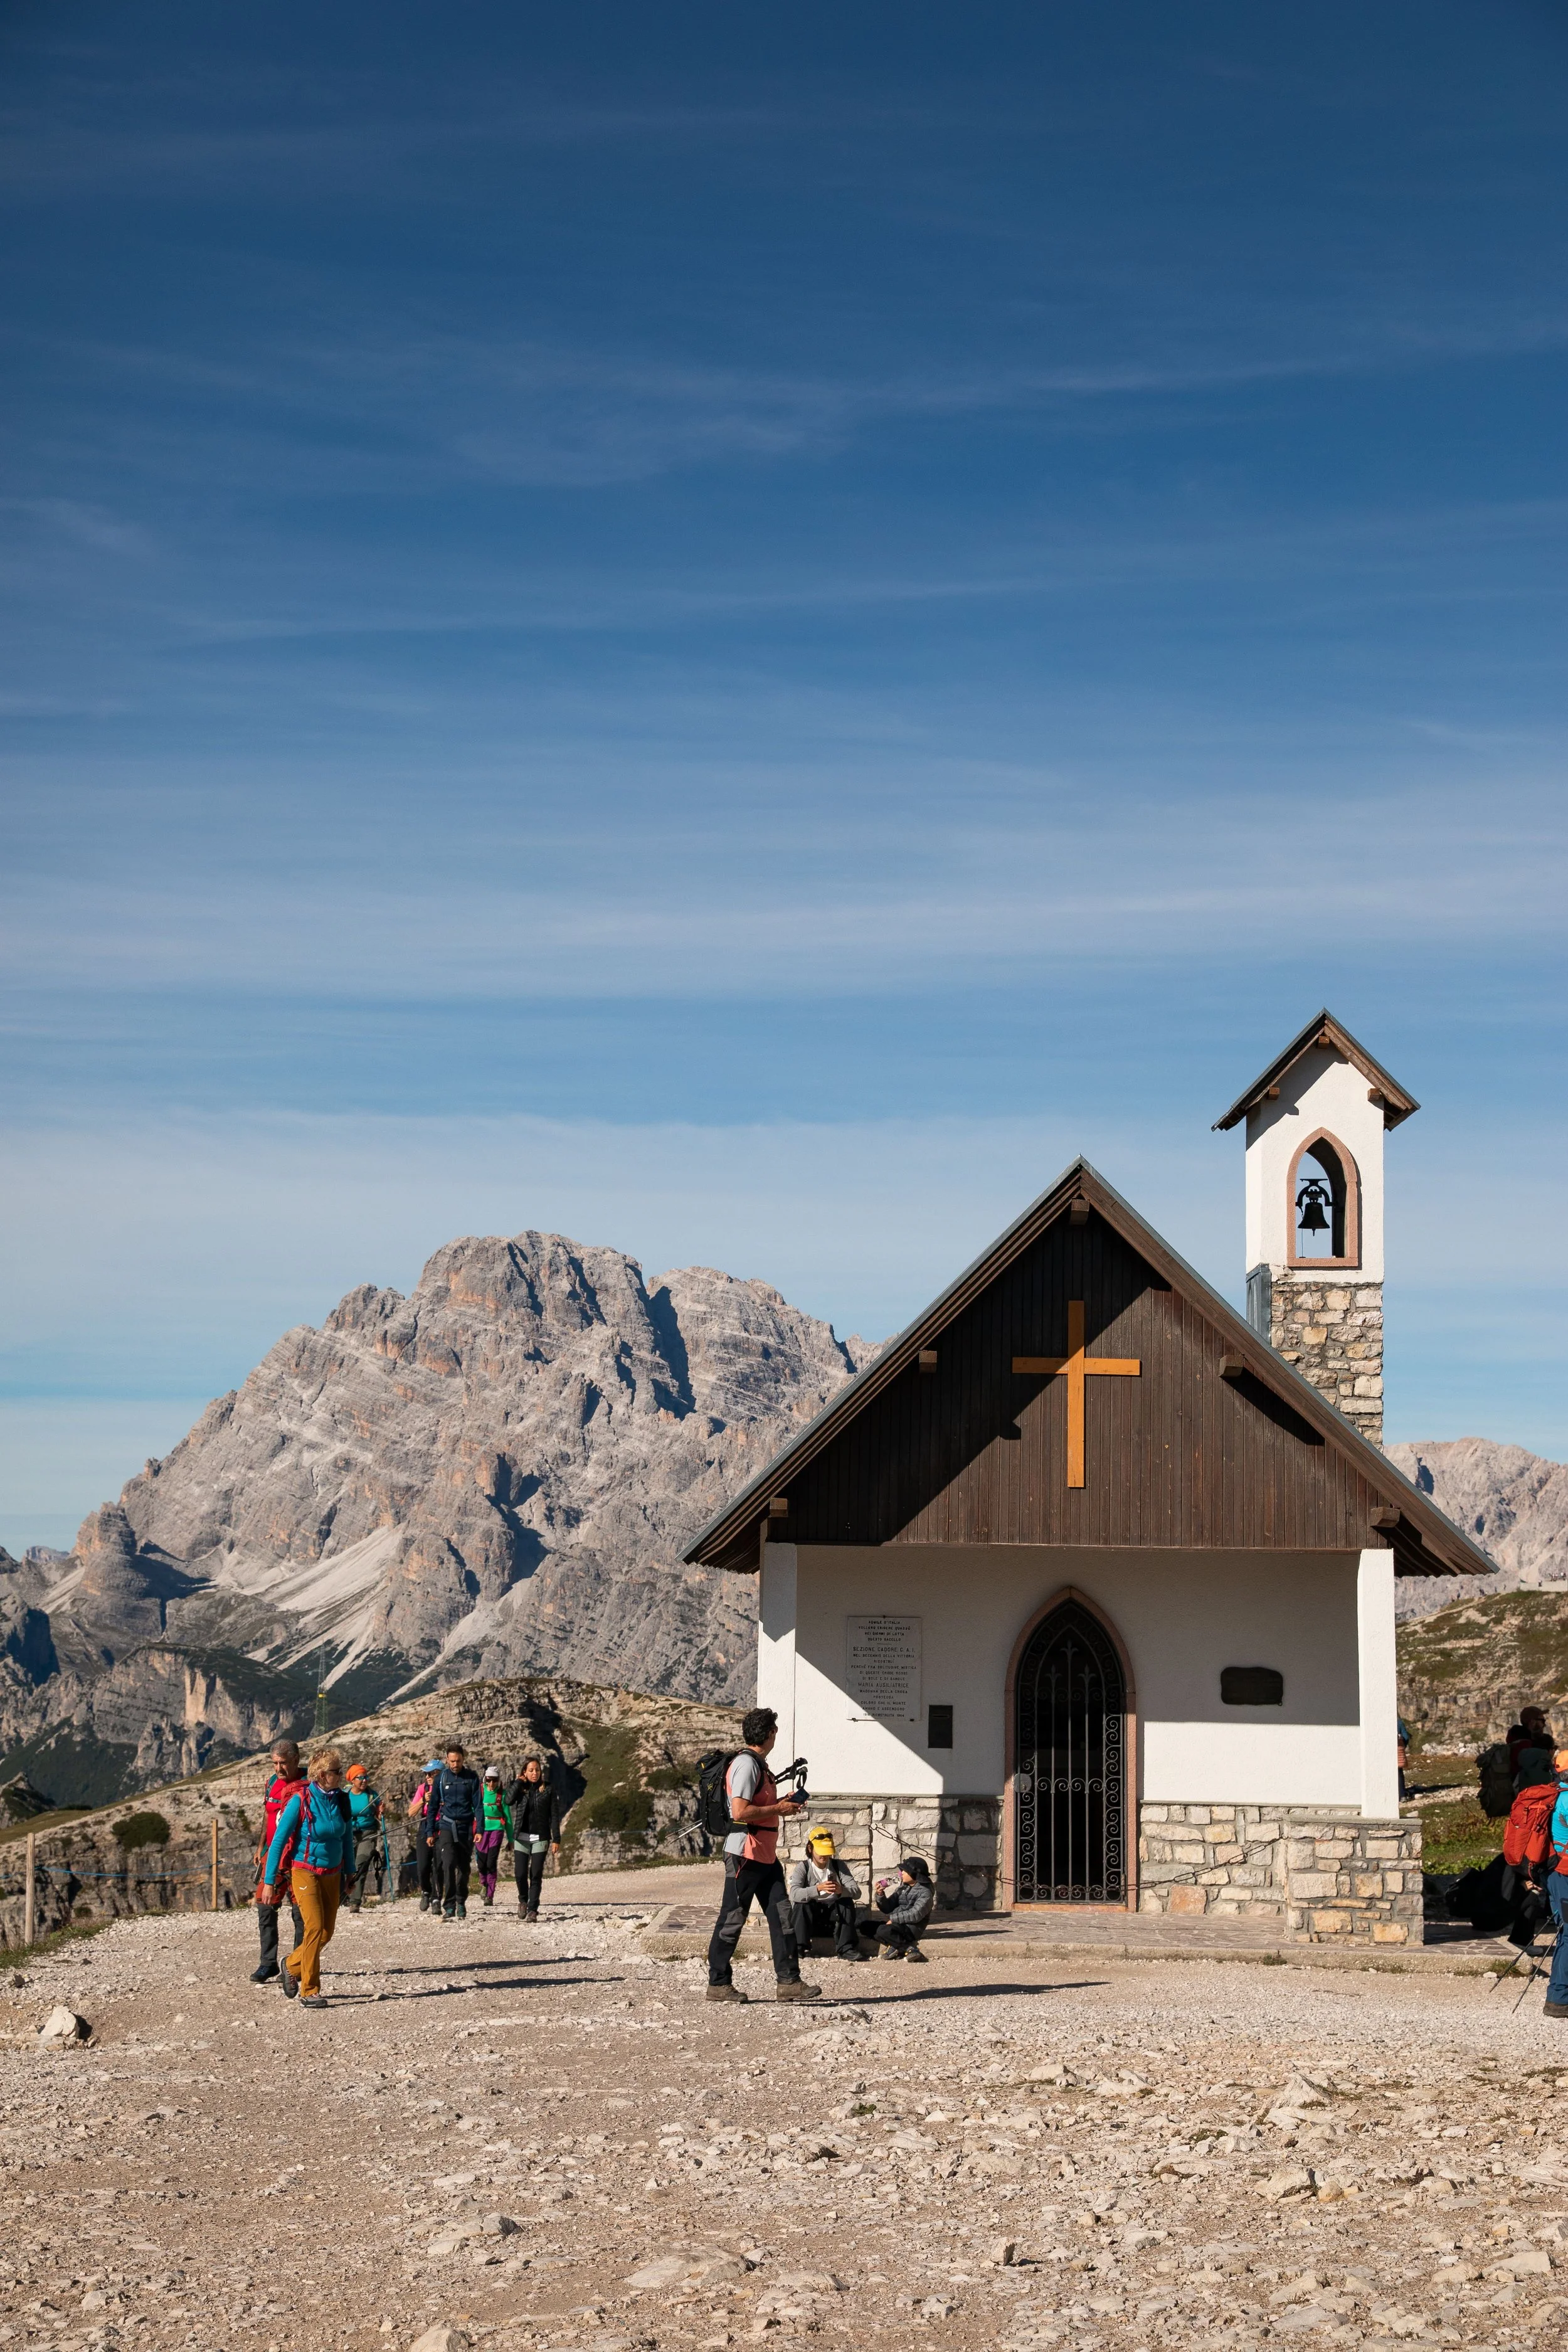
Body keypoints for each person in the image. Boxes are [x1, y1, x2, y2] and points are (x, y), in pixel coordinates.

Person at [706, 1705, 819, 2006]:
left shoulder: (758, 1764)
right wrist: (778, 1809)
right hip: (745, 1854)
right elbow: (740, 1811)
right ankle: (718, 1983)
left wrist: (782, 1803)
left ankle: (789, 1982)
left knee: (783, 1915)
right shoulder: (747, 1765)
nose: (777, 1734)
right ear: (769, 1734)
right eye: (775, 1730)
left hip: (764, 1855)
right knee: (733, 1918)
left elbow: (757, 1805)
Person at [260, 1747, 355, 2009]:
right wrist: (269, 1881)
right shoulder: (301, 1800)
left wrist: (350, 1872)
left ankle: (290, 1965)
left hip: (333, 1873)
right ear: (324, 1775)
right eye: (337, 1772)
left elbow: (346, 1837)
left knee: (326, 1932)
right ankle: (310, 1990)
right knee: (313, 1928)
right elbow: (278, 1841)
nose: (341, 1775)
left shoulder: (341, 1800)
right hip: (304, 1871)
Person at [251, 1739, 307, 1983]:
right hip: (272, 1855)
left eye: (283, 1763)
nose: (278, 1769)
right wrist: (261, 1846)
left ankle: (298, 1964)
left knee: (300, 1913)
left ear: (296, 1760)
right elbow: (268, 1814)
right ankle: (268, 1963)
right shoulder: (271, 1783)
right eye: (275, 1763)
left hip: (297, 1857)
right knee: (265, 1905)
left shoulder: (308, 1785)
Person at [788, 1827, 864, 1962]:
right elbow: (794, 1894)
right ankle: (798, 1947)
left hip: (834, 1917)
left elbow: (857, 1892)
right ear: (810, 1849)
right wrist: (817, 1889)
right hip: (812, 1918)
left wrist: (842, 1891)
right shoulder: (803, 1867)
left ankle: (846, 1948)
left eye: (826, 1853)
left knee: (846, 1902)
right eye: (820, 1852)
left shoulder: (839, 1866)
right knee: (801, 1904)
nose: (823, 1856)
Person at [428, 1741, 482, 1921]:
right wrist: (430, 1832)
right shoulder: (440, 1779)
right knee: (449, 1864)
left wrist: (479, 1829)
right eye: (452, 1761)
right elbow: (433, 1807)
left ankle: (461, 1901)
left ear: (463, 1759)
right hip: (446, 1826)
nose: (455, 1765)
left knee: (464, 1868)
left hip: (466, 1826)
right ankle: (449, 1905)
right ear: (447, 1760)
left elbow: (479, 1807)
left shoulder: (472, 1778)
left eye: (458, 1761)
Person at [507, 1754, 562, 1919]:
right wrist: (518, 1782)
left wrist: (556, 1839)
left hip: (541, 1837)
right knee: (520, 1873)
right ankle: (523, 1901)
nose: (534, 1773)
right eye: (531, 1770)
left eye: (537, 1770)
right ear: (525, 1771)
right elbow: (508, 1801)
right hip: (521, 1837)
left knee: (536, 1873)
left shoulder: (549, 1789)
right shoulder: (519, 1787)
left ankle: (532, 1909)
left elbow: (554, 1815)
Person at [866, 1855, 936, 1963]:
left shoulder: (925, 1893)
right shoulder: (904, 1887)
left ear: (914, 1874)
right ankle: (896, 1945)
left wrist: (893, 1919)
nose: (901, 1873)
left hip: (911, 1928)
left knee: (882, 1930)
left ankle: (910, 1949)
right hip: (897, 1925)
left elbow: (915, 1915)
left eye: (905, 1871)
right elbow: (888, 1907)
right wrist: (880, 1894)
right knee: (865, 1926)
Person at [1542, 1751, 1568, 2020]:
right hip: (1564, 1874)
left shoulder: (1555, 1795)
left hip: (1555, 1874)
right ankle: (1558, 1999)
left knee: (1566, 1933)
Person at [345, 1763, 385, 1912]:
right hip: (349, 1834)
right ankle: (343, 1897)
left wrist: (380, 1812)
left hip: (368, 1833)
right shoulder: (345, 1795)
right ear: (352, 1780)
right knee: (346, 1866)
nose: (364, 1780)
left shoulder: (372, 1795)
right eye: (360, 1778)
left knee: (361, 1865)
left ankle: (355, 1902)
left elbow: (378, 1816)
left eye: (365, 1777)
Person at [474, 1766, 514, 1907]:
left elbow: (508, 1818)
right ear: (485, 1779)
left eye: (495, 1781)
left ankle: (490, 1895)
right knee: (481, 1862)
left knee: (491, 1863)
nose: (492, 1784)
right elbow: (473, 1809)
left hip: (497, 1830)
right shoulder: (480, 1792)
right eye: (489, 1780)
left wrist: (511, 1839)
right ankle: (484, 1883)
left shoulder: (502, 1795)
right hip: (481, 1830)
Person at [409, 1761, 441, 1909]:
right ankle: (426, 1892)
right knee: (423, 1866)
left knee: (439, 1866)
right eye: (426, 1774)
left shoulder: (446, 1789)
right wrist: (423, 1800)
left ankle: (436, 1898)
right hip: (425, 1827)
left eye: (431, 1774)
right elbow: (411, 1812)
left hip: (442, 1829)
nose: (427, 1777)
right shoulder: (423, 1789)